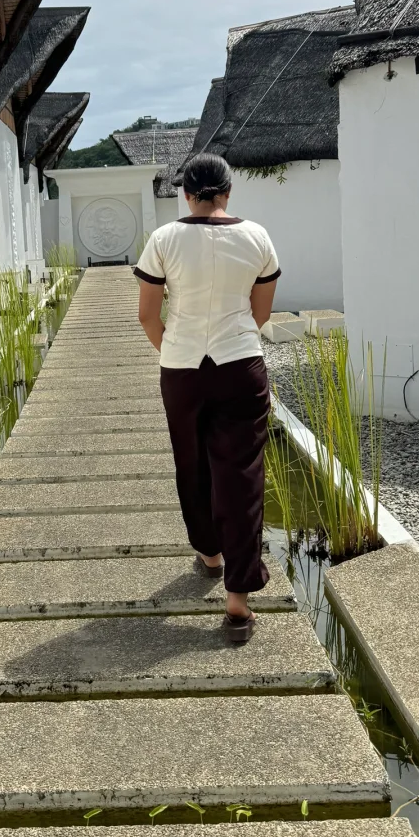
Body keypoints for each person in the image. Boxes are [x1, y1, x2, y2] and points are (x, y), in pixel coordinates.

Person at [135, 151, 280, 643]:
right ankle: (237, 603)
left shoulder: (163, 239)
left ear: (185, 193)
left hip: (181, 370)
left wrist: (175, 351)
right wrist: (233, 343)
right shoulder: (257, 236)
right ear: (228, 191)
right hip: (241, 365)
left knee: (192, 463)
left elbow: (147, 315)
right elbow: (260, 312)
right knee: (241, 475)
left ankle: (210, 554)